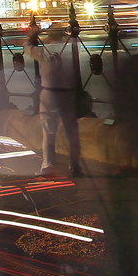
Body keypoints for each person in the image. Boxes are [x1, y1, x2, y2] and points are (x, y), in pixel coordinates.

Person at [26, 27, 82, 177]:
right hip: (68, 93)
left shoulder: (43, 50)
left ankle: (48, 165)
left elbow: (27, 48)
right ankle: (75, 165)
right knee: (72, 132)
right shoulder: (71, 47)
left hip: (49, 94)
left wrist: (33, 35)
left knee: (48, 132)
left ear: (49, 37)